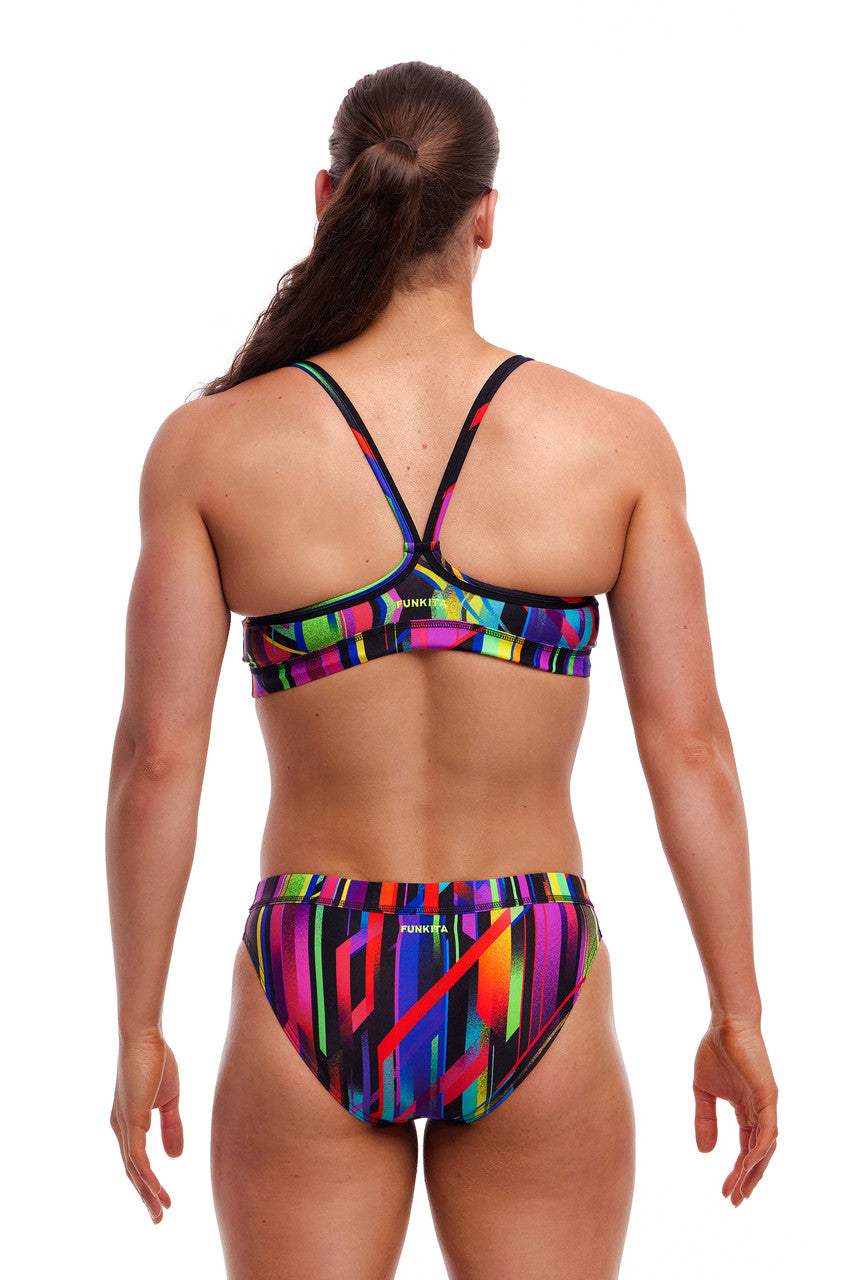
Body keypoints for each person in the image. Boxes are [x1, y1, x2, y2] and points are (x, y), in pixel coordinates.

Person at [107, 59, 778, 1280]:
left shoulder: (211, 448)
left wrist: (137, 1022)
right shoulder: (612, 442)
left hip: (318, 956)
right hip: (525, 956)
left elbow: (158, 761)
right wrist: (736, 1008)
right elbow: (689, 747)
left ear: (327, 199)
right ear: (487, 216)